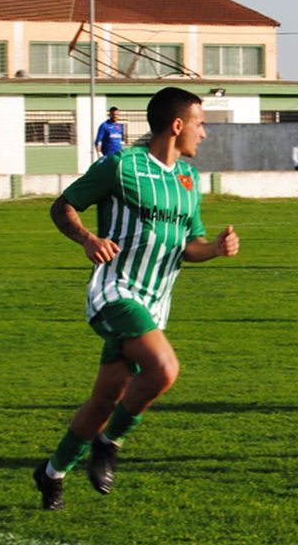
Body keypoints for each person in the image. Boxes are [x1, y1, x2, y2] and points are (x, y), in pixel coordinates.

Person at [34, 86, 240, 511]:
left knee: (104, 400)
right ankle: (109, 444)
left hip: (154, 304)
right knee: (164, 369)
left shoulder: (188, 179)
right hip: (115, 292)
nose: (205, 134)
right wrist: (88, 240)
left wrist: (216, 249)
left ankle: (52, 471)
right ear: (177, 125)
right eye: (200, 124)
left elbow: (190, 245)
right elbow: (63, 207)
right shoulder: (120, 166)